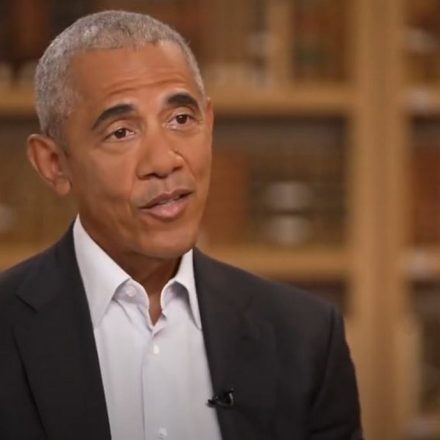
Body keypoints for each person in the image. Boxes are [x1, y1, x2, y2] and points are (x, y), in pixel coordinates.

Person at [0, 10, 362, 440]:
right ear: (53, 164)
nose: (164, 161)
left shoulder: (306, 340)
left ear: (209, 125)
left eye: (181, 119)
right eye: (121, 132)